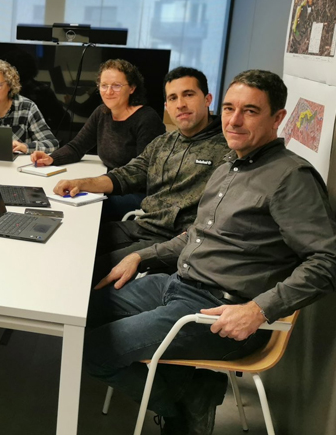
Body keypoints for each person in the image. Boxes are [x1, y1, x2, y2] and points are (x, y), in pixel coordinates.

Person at [83, 70, 336, 435]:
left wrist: (259, 309)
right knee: (78, 316)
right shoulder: (229, 166)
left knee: (94, 352)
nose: (234, 120)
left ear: (278, 119)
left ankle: (179, 404)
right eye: (229, 108)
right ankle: (194, 386)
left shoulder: (291, 178)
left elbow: (329, 262)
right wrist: (143, 255)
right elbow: (197, 235)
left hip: (222, 310)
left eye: (250, 111)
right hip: (177, 284)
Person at [52, 67, 230, 280]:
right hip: (143, 226)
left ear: (208, 99)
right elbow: (127, 174)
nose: (180, 104)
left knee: (83, 270)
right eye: (173, 98)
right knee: (70, 241)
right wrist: (81, 183)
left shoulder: (227, 150)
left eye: (189, 95)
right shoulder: (163, 143)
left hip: (174, 242)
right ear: (167, 106)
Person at [31, 59, 167, 218]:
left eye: (116, 86)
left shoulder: (146, 119)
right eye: (104, 85)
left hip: (138, 195)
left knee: (80, 207)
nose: (109, 92)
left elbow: (142, 176)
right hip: (111, 184)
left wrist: (92, 184)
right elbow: (77, 146)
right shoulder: (102, 112)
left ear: (132, 88)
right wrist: (51, 159)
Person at [0, 58, 60, 154]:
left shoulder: (27, 107)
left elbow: (52, 144)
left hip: (16, 166)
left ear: (9, 85)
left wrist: (26, 147)